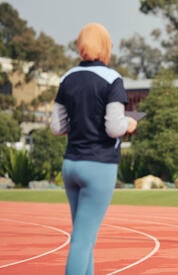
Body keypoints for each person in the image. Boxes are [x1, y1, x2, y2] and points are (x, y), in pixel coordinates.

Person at [50, 22, 137, 275]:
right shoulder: (112, 79)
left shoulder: (67, 78)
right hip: (99, 165)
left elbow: (57, 127)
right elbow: (114, 128)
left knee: (83, 237)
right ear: (105, 46)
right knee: (82, 240)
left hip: (71, 164)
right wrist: (130, 123)